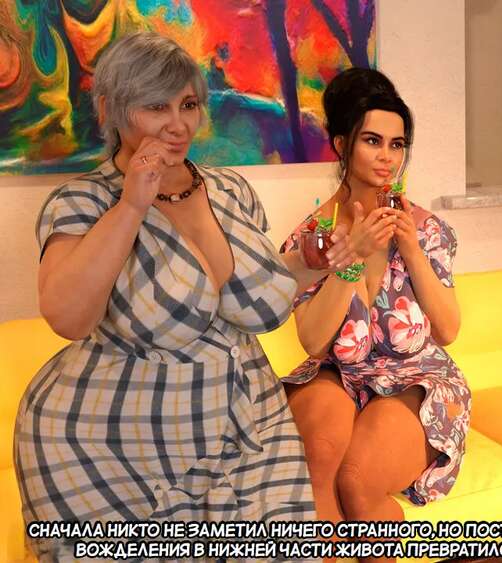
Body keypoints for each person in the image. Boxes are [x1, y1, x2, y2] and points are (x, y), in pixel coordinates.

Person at [14, 32, 315, 559]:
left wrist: (312, 263)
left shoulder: (231, 190)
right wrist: (132, 205)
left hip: (250, 424)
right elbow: (67, 316)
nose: (178, 125)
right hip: (108, 447)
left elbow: (249, 294)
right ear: (111, 109)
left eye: (188, 105)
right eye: (156, 106)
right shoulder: (84, 200)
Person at [278, 68, 468, 544]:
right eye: (372, 141)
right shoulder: (311, 238)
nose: (387, 157)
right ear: (342, 145)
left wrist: (412, 249)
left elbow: (447, 330)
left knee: (356, 480)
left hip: (415, 377)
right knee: (317, 460)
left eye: (397, 144)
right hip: (338, 373)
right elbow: (313, 341)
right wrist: (351, 259)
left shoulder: (427, 229)